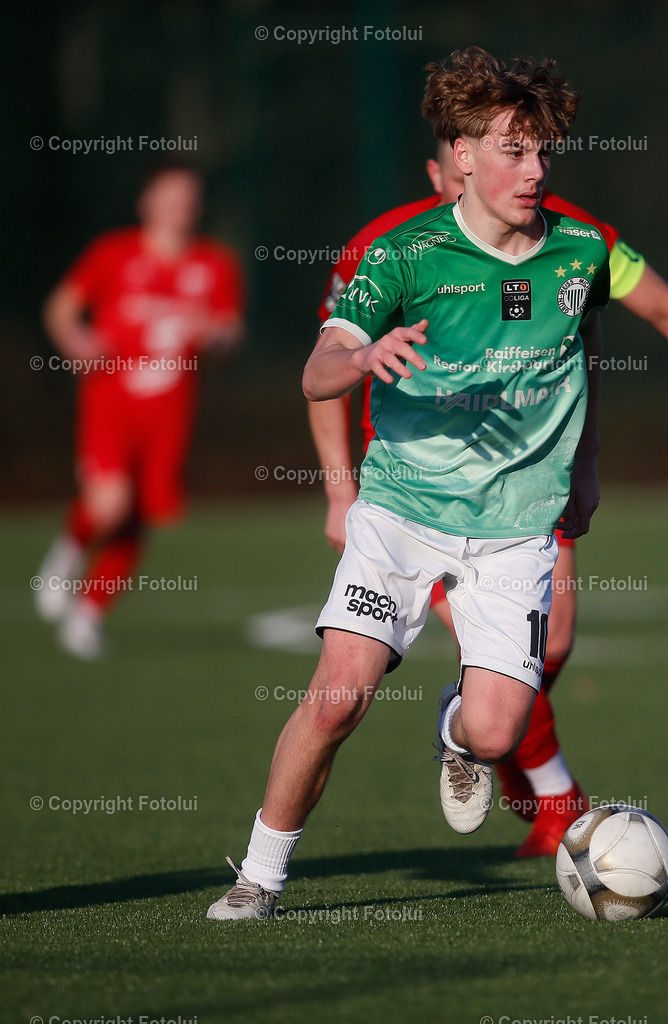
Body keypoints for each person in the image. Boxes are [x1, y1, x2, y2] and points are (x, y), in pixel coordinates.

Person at [307, 146, 668, 855]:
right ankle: (555, 805)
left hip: (531, 477)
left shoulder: (576, 239)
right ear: (442, 168)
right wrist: (339, 489)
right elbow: (331, 360)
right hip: (419, 490)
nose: (512, 178)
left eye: (529, 153)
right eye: (475, 166)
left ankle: (479, 737)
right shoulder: (385, 246)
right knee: (389, 684)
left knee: (555, 645)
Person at [207, 45, 609, 920]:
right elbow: (317, 371)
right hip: (402, 509)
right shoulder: (398, 252)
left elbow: (586, 354)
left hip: (513, 525)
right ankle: (259, 876)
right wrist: (359, 356)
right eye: (517, 149)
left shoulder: (579, 249)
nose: (538, 169)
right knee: (339, 691)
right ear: (458, 157)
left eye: (545, 152)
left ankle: (455, 732)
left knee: (495, 728)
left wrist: (583, 464)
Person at [34, 160, 244, 659]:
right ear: (145, 202)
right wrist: (77, 341)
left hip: (170, 414)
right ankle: (64, 557)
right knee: (110, 502)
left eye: (189, 197)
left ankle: (88, 615)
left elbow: (231, 334)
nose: (179, 207)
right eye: (168, 195)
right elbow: (61, 308)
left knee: (141, 515)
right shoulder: (112, 253)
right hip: (110, 401)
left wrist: (216, 336)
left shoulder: (213, 264)